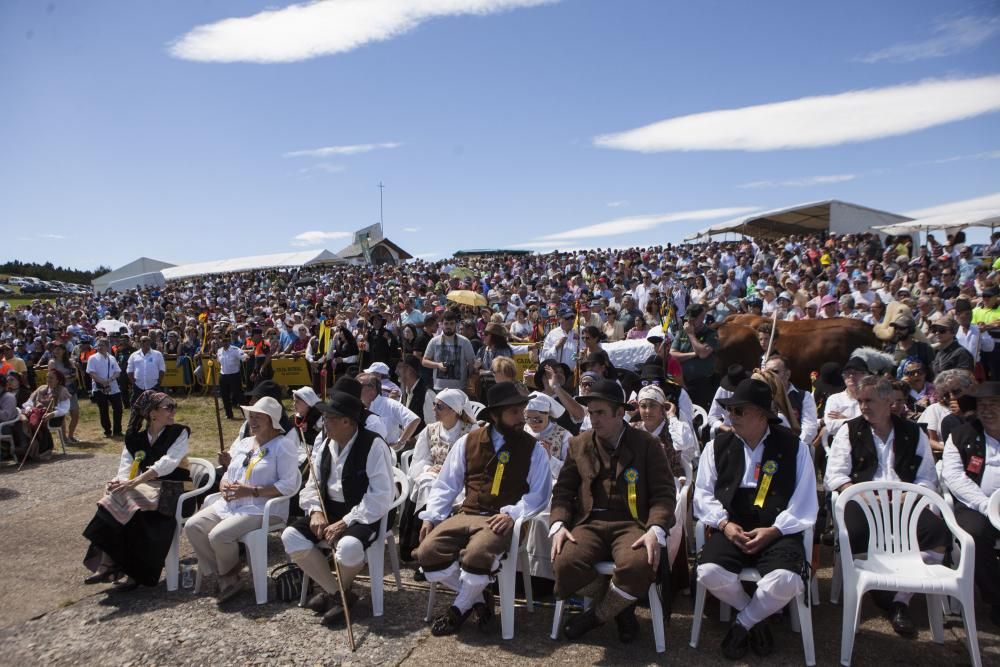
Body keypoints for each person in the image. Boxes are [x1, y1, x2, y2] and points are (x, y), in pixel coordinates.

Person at [414, 382, 551, 636]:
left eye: (522, 411)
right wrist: (431, 517)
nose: (522, 418)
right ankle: (478, 599)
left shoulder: (533, 448)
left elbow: (539, 495)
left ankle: (458, 609)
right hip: (467, 514)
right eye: (514, 413)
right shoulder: (468, 442)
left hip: (503, 520)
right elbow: (446, 484)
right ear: (495, 415)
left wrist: (513, 514)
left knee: (477, 556)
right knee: (427, 553)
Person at [693, 378, 817, 660]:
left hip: (778, 528)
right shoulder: (716, 447)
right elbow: (702, 495)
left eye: (739, 411)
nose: (730, 416)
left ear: (762, 414)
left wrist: (775, 530)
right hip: (732, 525)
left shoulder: (794, 447)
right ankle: (757, 619)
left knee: (786, 579)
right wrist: (724, 524)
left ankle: (743, 623)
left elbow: (805, 499)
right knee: (708, 571)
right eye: (730, 410)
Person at [550, 379, 676, 643]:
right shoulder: (579, 444)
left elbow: (664, 494)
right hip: (589, 522)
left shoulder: (647, 444)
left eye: (600, 413)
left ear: (620, 413)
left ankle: (595, 617)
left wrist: (655, 529)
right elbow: (563, 490)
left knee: (640, 563)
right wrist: (559, 524)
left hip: (633, 524)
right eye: (590, 412)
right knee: (564, 561)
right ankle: (621, 609)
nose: (594, 419)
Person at [824, 375, 949, 638]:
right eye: (860, 401)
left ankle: (898, 598)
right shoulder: (850, 430)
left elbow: (927, 476)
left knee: (938, 534)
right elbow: (835, 476)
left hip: (904, 503)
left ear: (888, 400)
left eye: (869, 400)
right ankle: (877, 588)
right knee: (855, 534)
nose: (863, 406)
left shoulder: (913, 432)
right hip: (864, 501)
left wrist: (909, 496)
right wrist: (862, 495)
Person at [280, 390, 395, 627]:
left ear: (347, 421)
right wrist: (315, 511)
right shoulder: (325, 444)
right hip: (329, 511)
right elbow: (312, 483)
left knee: (349, 547)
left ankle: (336, 593)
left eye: (330, 418)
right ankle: (339, 594)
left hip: (364, 514)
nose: (324, 422)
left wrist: (346, 521)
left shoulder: (373, 445)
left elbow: (381, 496)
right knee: (290, 536)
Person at [185, 396, 299, 601]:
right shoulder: (245, 443)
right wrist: (223, 484)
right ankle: (227, 573)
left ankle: (228, 578)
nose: (251, 421)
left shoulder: (283, 446)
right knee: (192, 526)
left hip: (263, 509)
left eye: (258, 417)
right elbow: (231, 472)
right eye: (250, 416)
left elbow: (288, 486)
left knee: (219, 535)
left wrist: (252, 491)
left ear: (272, 420)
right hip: (232, 504)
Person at [81, 390, 190, 589]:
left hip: (174, 489)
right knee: (116, 493)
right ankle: (118, 566)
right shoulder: (135, 439)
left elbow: (169, 462)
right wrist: (120, 481)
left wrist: (135, 481)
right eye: (168, 407)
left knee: (124, 498)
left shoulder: (179, 432)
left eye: (174, 406)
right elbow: (126, 466)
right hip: (146, 487)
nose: (173, 411)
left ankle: (108, 563)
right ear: (152, 413)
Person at [940, 381, 1000, 627]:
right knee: (973, 536)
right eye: (982, 405)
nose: (987, 410)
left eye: (994, 404)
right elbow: (954, 477)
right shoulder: (961, 435)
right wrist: (987, 506)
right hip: (975, 504)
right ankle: (996, 598)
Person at [401, 388, 477, 561]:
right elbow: (419, 460)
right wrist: (429, 469)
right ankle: (427, 544)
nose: (434, 409)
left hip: (462, 481)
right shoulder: (430, 430)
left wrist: (452, 471)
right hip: (435, 478)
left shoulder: (472, 432)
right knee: (428, 484)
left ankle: (439, 547)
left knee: (443, 490)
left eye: (439, 406)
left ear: (454, 410)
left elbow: (477, 462)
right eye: (434, 405)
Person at [632, 384, 697, 573]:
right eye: (643, 406)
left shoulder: (673, 428)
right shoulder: (633, 429)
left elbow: (685, 443)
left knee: (670, 508)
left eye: (652, 406)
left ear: (662, 408)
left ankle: (665, 565)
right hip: (636, 483)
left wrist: (672, 416)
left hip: (668, 484)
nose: (647, 411)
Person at [669, 303, 719, 410]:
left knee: (701, 411)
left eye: (692, 320)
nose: (689, 323)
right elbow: (672, 354)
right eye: (688, 319)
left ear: (701, 318)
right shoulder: (682, 332)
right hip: (682, 381)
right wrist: (693, 354)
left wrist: (691, 335)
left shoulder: (711, 334)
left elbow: (703, 354)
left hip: (702, 383)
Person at [18, 367, 72, 460]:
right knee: (23, 423)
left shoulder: (62, 390)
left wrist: (52, 414)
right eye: (47, 377)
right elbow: (29, 403)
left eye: (51, 378)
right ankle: (27, 451)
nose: (48, 380)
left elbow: (64, 409)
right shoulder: (41, 389)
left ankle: (43, 450)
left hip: (53, 417)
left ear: (58, 380)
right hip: (35, 413)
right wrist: (29, 409)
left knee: (35, 422)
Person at [358, 372, 419, 451]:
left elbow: (414, 420)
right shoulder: (358, 406)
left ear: (372, 388)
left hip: (386, 454)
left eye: (359, 385)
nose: (356, 388)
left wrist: (399, 443)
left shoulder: (389, 404)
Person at [422, 311, 476, 392]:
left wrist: (469, 381)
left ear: (456, 325)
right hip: (439, 388)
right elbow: (424, 361)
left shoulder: (465, 341)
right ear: (441, 324)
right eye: (446, 323)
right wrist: (437, 365)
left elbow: (472, 363)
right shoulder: (434, 341)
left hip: (460, 388)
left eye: (451, 323)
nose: (449, 326)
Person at [86, 337, 124, 438]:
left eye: (102, 345)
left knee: (118, 408)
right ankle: (107, 430)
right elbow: (91, 373)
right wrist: (102, 382)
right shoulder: (92, 358)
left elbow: (117, 371)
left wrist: (110, 380)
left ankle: (117, 430)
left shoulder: (111, 358)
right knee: (103, 410)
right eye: (98, 345)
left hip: (113, 387)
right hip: (99, 387)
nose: (99, 347)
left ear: (107, 346)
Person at [47, 340, 81, 443]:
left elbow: (74, 375)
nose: (56, 351)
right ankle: (64, 438)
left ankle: (71, 436)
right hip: (59, 391)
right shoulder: (52, 362)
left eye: (59, 349)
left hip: (71, 390)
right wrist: (66, 377)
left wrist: (65, 377)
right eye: (55, 349)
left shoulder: (69, 362)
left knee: (75, 413)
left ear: (63, 350)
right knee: (61, 415)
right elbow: (52, 377)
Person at [398, 354, 435, 430]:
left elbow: (433, 427)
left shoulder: (427, 394)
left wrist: (414, 439)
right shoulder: (404, 393)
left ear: (409, 370)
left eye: (400, 367)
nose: (396, 371)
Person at [127, 335, 166, 405]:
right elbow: (129, 370)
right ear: (140, 343)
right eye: (144, 341)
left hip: (153, 385)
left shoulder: (157, 354)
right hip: (138, 385)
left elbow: (162, 369)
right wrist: (133, 382)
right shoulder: (134, 355)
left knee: (154, 406)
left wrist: (159, 381)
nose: (147, 343)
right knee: (137, 406)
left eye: (149, 341)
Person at [216, 335, 248, 420]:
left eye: (226, 341)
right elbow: (219, 362)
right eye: (223, 341)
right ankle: (229, 414)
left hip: (234, 376)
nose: (225, 343)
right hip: (223, 375)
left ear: (229, 341)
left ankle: (247, 415)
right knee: (224, 396)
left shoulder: (235, 350)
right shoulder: (219, 351)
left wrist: (246, 356)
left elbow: (244, 357)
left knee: (239, 396)